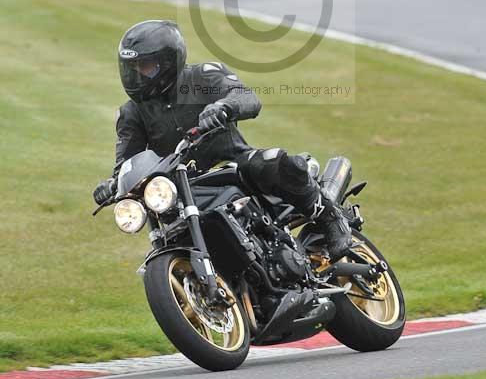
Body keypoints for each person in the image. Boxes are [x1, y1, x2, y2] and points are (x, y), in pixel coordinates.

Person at [93, 20, 353, 260]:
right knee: (161, 217)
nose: (137, 75)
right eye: (132, 68)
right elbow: (128, 161)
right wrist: (113, 184)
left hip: (232, 167)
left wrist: (224, 107)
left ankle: (329, 216)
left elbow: (247, 98)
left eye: (145, 67)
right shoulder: (132, 112)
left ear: (168, 63)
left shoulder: (204, 76)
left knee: (269, 162)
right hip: (183, 189)